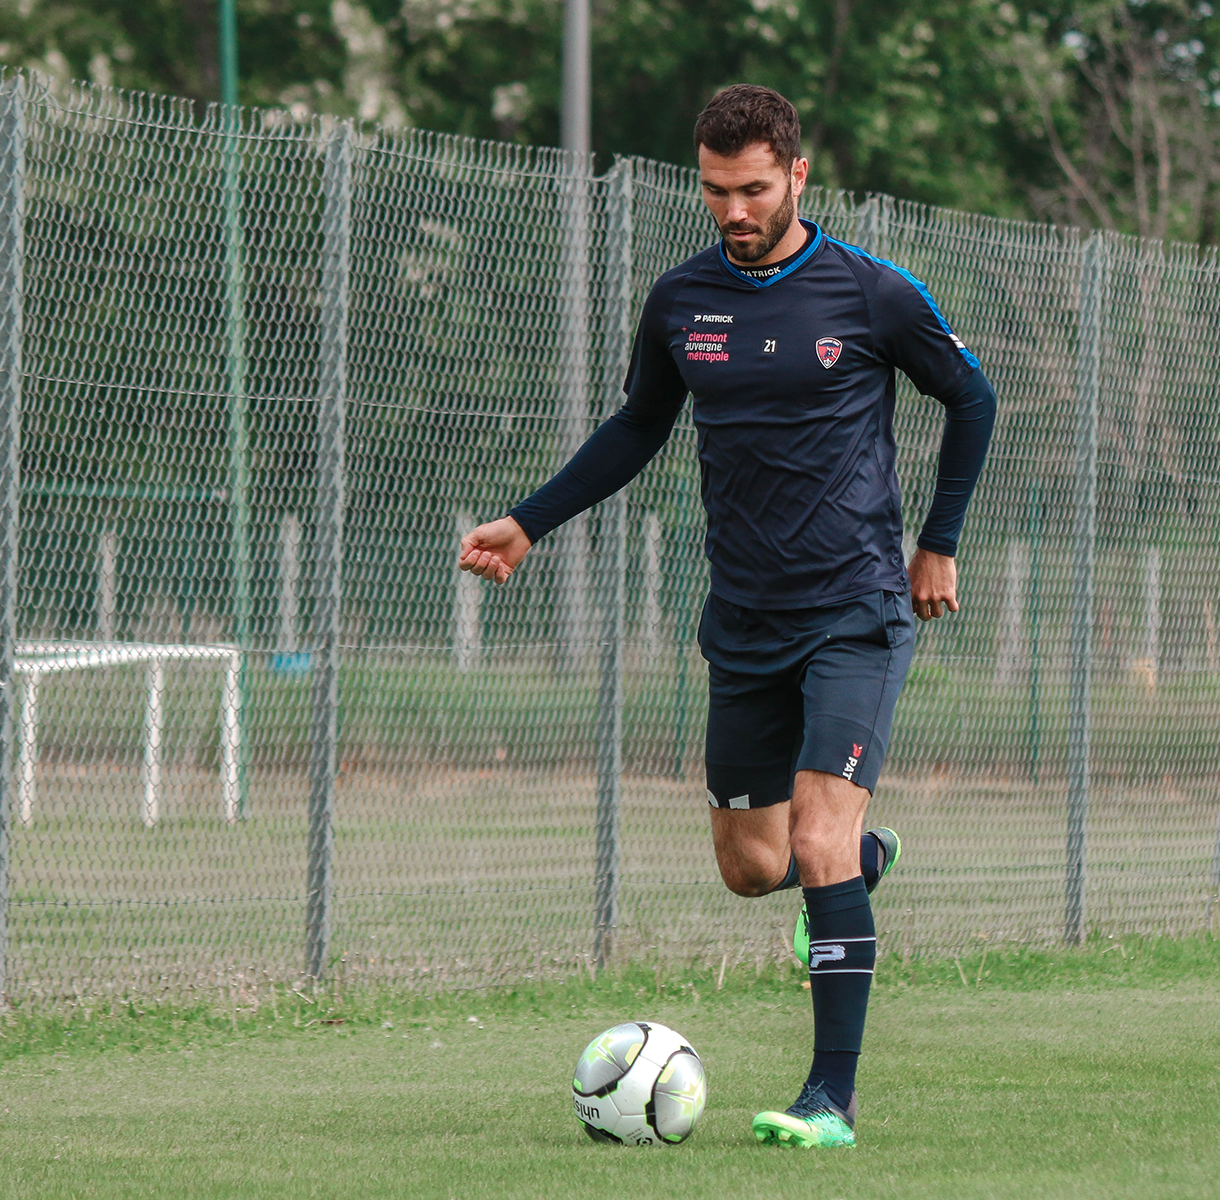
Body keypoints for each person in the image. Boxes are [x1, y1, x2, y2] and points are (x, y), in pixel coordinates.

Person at [459, 84, 996, 1149]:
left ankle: (829, 1101)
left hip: (854, 609)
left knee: (817, 837)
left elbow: (971, 397)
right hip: (743, 621)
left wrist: (937, 542)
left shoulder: (871, 293)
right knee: (753, 868)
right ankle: (860, 867)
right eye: (716, 191)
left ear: (797, 174)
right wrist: (528, 523)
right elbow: (637, 427)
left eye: (753, 189)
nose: (735, 211)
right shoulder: (681, 301)